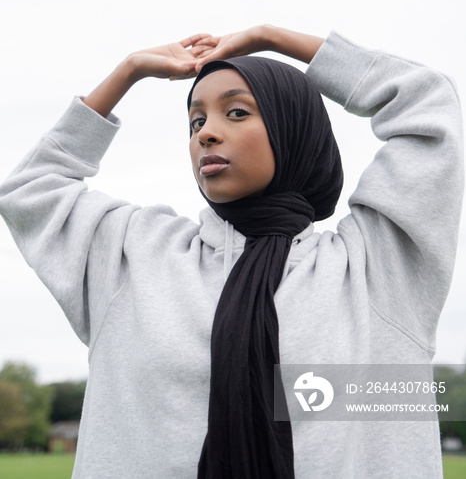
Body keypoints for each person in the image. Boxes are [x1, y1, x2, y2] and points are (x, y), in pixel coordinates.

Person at [0, 24, 463, 479]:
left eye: (237, 112)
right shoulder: (135, 256)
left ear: (293, 127)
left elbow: (427, 103)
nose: (206, 134)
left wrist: (272, 39)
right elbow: (30, 190)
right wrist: (129, 71)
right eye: (196, 121)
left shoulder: (376, 268)